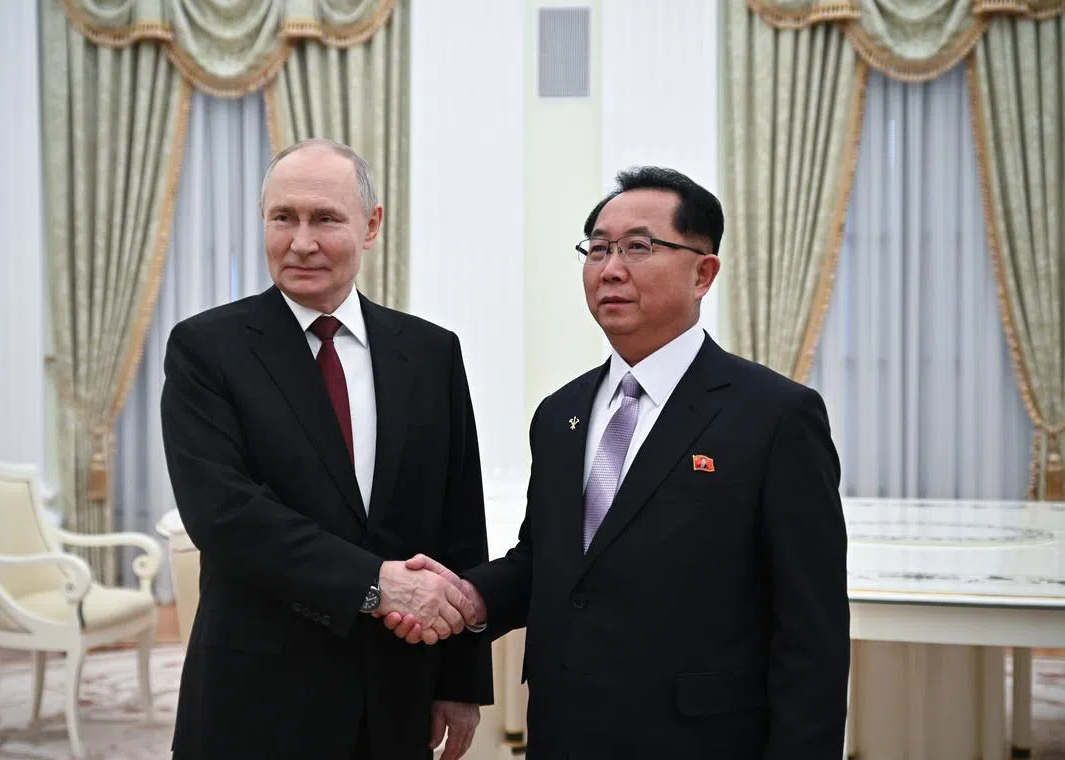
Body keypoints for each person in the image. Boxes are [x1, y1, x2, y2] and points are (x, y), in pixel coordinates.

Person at [387, 167, 850, 758]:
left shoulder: (776, 416)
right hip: (565, 731)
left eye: (639, 247)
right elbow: (548, 562)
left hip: (702, 739)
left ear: (703, 271)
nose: (611, 269)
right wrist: (470, 597)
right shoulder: (561, 414)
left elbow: (812, 632)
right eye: (598, 249)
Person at [161, 139, 492, 760]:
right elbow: (223, 513)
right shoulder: (207, 349)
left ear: (371, 225)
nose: (301, 242)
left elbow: (459, 525)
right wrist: (373, 584)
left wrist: (460, 681)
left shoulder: (431, 353)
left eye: (325, 218)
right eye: (283, 217)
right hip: (257, 695)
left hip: (398, 694)